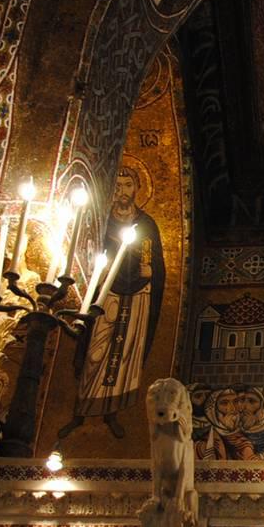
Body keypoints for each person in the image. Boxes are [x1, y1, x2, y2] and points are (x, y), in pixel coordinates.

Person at [60, 164, 162, 440]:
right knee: (96, 351)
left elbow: (155, 262)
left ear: (137, 188)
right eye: (117, 186)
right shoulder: (103, 221)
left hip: (138, 295)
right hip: (106, 292)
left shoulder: (147, 224)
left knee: (126, 353)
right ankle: (79, 412)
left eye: (128, 185)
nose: (122, 191)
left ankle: (112, 414)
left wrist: (150, 271)